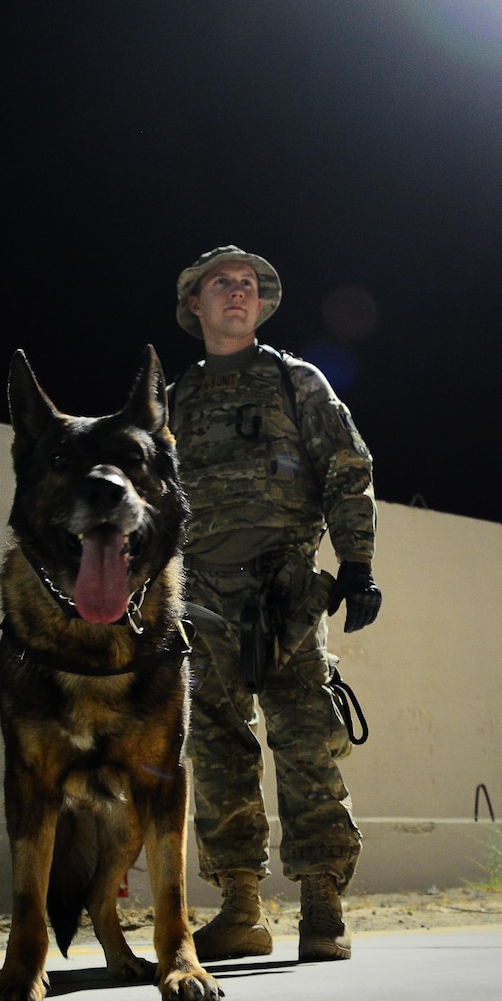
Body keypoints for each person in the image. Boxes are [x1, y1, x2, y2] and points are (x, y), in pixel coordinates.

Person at [166, 246, 382, 963]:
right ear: (194, 303)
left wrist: (355, 564)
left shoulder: (297, 381)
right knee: (217, 750)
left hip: (285, 590)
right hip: (199, 600)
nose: (238, 292)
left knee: (306, 742)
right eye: (222, 284)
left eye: (249, 285)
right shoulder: (175, 399)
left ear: (261, 305)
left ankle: (322, 905)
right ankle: (242, 910)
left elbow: (346, 468)